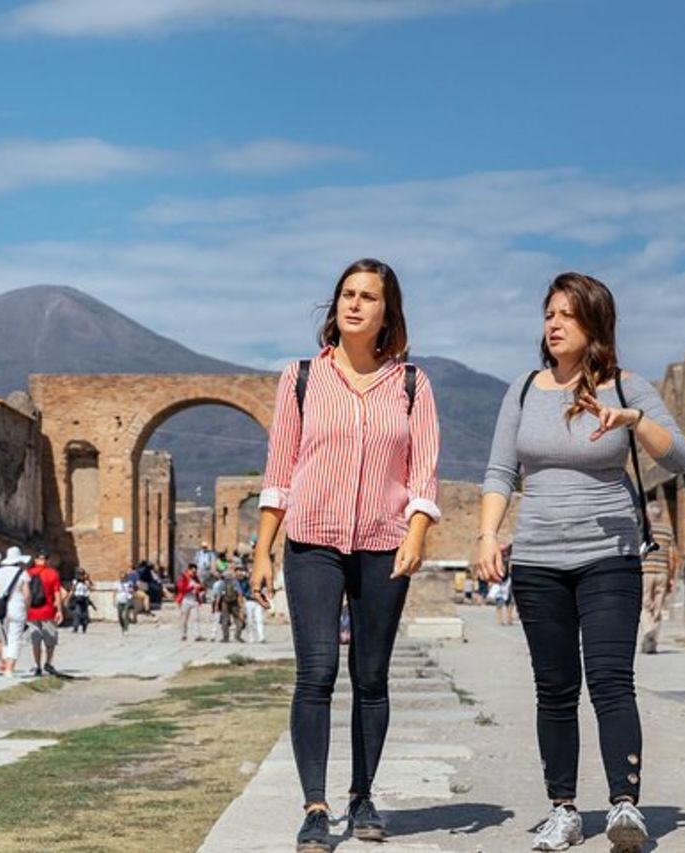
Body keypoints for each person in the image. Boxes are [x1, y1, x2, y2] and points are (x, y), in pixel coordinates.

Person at [474, 272, 685, 852]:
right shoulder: (522, 389)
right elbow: (501, 472)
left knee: (611, 681)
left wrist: (634, 422)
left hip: (609, 557)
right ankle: (563, 810)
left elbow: (680, 458)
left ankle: (625, 806)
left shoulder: (627, 387)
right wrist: (487, 534)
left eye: (567, 314)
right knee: (554, 687)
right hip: (539, 562)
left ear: (594, 323)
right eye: (548, 313)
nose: (553, 324)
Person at [251, 258, 440, 851]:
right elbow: (280, 470)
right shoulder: (301, 377)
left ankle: (363, 796)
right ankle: (315, 806)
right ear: (335, 307)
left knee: (371, 676)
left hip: (385, 543)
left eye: (369, 297)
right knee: (316, 673)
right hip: (311, 541)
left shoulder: (413, 384)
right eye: (347, 294)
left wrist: (416, 535)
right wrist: (262, 549)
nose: (355, 304)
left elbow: (425, 474)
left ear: (388, 312)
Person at [638, 502, 677, 654]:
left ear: (648, 515)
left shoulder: (644, 530)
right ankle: (653, 636)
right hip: (663, 572)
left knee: (645, 605)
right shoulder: (667, 531)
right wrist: (672, 576)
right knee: (658, 606)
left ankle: (648, 632)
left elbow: (640, 552)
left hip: (646, 572)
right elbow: (672, 556)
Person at [0, 546, 32, 676]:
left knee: (5, 637)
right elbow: (26, 594)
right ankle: (10, 668)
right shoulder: (23, 573)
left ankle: (5, 663)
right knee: (15, 637)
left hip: (2, 608)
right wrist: (27, 608)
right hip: (17, 606)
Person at [26, 551, 65, 677]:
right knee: (50, 640)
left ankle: (37, 665)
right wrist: (59, 610)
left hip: (31, 612)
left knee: (35, 640)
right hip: (48, 611)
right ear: (47, 560)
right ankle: (48, 662)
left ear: (36, 560)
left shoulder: (28, 573)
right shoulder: (52, 573)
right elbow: (57, 593)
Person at [175, 564, 206, 641]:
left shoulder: (195, 578)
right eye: (193, 571)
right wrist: (192, 587)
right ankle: (183, 634)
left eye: (195, 572)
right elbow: (181, 588)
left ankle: (197, 635)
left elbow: (200, 586)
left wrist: (201, 588)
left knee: (196, 618)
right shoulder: (183, 577)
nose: (194, 573)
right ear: (188, 570)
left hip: (194, 600)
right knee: (184, 619)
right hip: (185, 600)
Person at [69, 569, 96, 634]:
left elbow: (92, 589)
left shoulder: (87, 582)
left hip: (85, 599)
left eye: (82, 574)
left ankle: (84, 627)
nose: (81, 576)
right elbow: (72, 589)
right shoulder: (75, 581)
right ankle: (75, 628)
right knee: (77, 614)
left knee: (84, 615)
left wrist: (87, 582)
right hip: (77, 598)